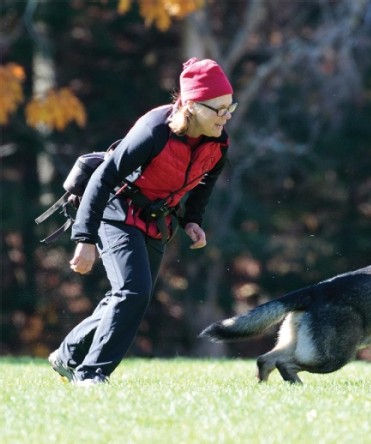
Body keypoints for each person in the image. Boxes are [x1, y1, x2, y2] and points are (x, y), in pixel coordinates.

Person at [48, 58, 236, 386]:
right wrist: (85, 238)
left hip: (156, 220)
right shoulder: (153, 131)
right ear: (191, 105)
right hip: (115, 209)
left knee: (132, 294)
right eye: (218, 108)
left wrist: (193, 220)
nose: (227, 116)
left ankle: (67, 355)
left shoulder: (218, 143)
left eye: (229, 106)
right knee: (133, 291)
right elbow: (102, 180)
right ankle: (91, 375)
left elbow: (204, 183)